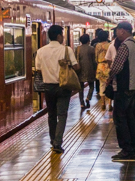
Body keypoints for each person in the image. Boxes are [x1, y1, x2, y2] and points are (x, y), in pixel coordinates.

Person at [35, 25, 79, 154]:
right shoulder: (66, 50)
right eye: (62, 35)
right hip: (63, 86)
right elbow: (76, 66)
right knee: (62, 115)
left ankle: (52, 139)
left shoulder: (41, 51)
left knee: (52, 115)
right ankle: (57, 143)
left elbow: (38, 69)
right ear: (59, 36)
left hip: (48, 87)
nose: (63, 37)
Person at [106, 22, 135, 161]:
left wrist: (109, 78)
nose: (116, 33)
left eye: (117, 31)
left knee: (120, 119)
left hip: (124, 87)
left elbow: (116, 67)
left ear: (122, 31)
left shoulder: (124, 46)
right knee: (132, 118)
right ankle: (134, 146)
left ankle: (126, 149)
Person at [75, 34, 96, 109]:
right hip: (90, 70)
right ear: (88, 40)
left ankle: (81, 103)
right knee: (92, 86)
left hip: (80, 70)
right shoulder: (92, 48)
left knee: (80, 88)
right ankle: (88, 98)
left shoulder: (77, 49)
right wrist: (95, 69)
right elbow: (94, 61)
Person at [95, 30, 112, 110]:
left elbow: (95, 57)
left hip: (100, 65)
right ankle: (110, 103)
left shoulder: (97, 46)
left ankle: (102, 103)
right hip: (108, 66)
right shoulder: (110, 45)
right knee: (109, 84)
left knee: (101, 85)